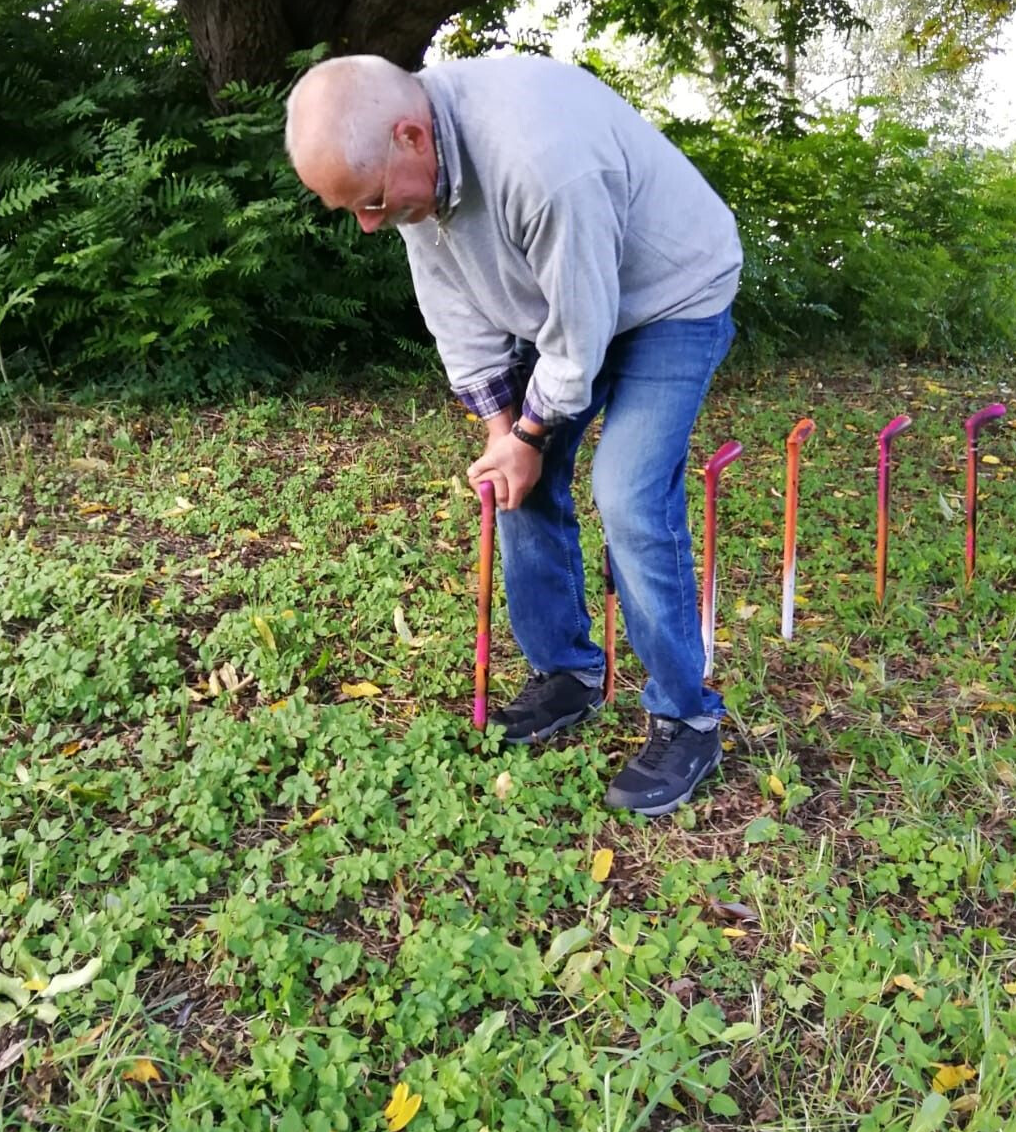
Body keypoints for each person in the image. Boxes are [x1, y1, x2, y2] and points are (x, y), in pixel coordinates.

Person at [285, 53, 742, 817]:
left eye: (368, 203)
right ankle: (566, 673)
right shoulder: (411, 171)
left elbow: (580, 332)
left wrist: (532, 430)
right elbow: (454, 309)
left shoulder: (540, 158)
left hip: (670, 295)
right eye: (352, 210)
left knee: (626, 493)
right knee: (515, 478)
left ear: (410, 136)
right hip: (568, 306)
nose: (367, 224)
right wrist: (507, 435)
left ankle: (686, 717)